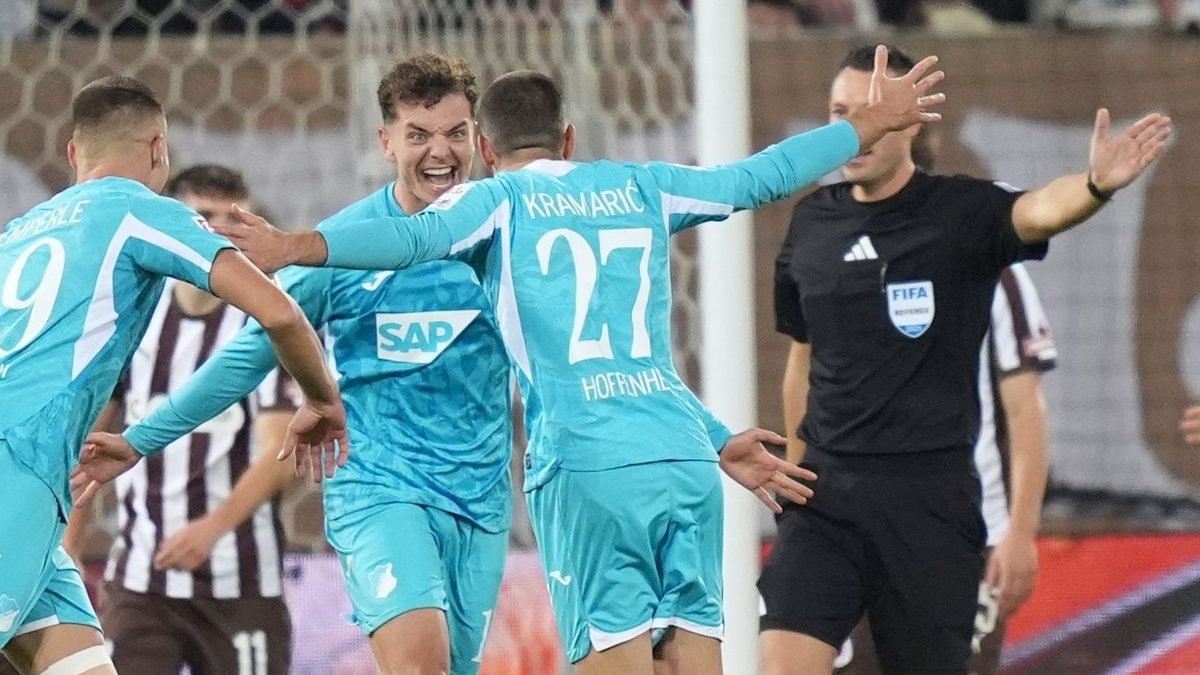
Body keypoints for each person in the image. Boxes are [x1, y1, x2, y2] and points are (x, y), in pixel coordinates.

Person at [204, 47, 946, 675]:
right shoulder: (643, 185)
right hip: (684, 464)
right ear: (568, 138)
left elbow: (409, 240)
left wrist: (296, 245)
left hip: (587, 467)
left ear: (486, 152)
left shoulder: (496, 202)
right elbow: (755, 178)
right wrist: (861, 128)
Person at [84, 53, 513, 675]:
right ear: (386, 141)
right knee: (423, 666)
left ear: (479, 137)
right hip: (379, 489)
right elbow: (246, 358)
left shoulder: (502, 237)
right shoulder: (338, 246)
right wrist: (139, 439)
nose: (438, 152)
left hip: (480, 495)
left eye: (455, 132)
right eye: (418, 135)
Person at [761, 44, 1169, 675]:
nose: (851, 129)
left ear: (913, 119)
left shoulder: (959, 214)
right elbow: (800, 362)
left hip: (930, 505)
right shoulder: (812, 224)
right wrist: (793, 473)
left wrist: (1094, 186)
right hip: (827, 502)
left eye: (868, 110)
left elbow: (1038, 210)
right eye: (839, 112)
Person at [0, 76, 346, 675]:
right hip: (17, 475)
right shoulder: (142, 212)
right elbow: (279, 310)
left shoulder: (19, 233)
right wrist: (322, 399)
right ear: (160, 148)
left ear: (73, 152)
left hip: (40, 489)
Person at [69, 165, 297, 675]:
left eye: (232, 217)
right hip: (142, 583)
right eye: (203, 217)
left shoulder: (264, 324)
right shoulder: (136, 323)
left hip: (240, 581)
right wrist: (68, 551)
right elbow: (86, 446)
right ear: (175, 223)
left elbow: (279, 454)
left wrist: (213, 528)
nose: (218, 230)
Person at [828, 261, 1057, 675]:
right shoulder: (850, 257)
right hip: (868, 535)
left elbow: (1026, 411)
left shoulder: (996, 268)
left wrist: (1020, 534)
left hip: (968, 540)